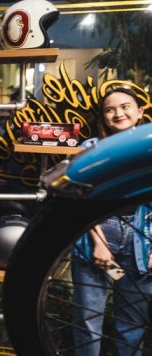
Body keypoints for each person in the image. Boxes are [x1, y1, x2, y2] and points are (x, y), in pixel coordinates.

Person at [71, 86, 151, 355]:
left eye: (125, 107)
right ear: (103, 117)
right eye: (110, 110)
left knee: (132, 323)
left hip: (141, 244)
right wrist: (99, 243)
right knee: (88, 319)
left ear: (139, 111)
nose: (118, 114)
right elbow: (80, 200)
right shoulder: (91, 148)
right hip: (98, 238)